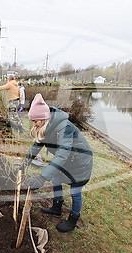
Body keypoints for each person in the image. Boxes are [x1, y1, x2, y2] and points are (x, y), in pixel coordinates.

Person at [22, 93, 93, 232]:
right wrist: (25, 163)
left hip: (80, 162)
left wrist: (41, 178)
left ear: (43, 118)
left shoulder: (64, 127)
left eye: (35, 120)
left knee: (75, 191)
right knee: (55, 179)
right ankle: (56, 207)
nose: (34, 124)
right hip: (68, 160)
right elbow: (36, 146)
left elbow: (61, 155)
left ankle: (73, 219)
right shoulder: (46, 126)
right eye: (33, 121)